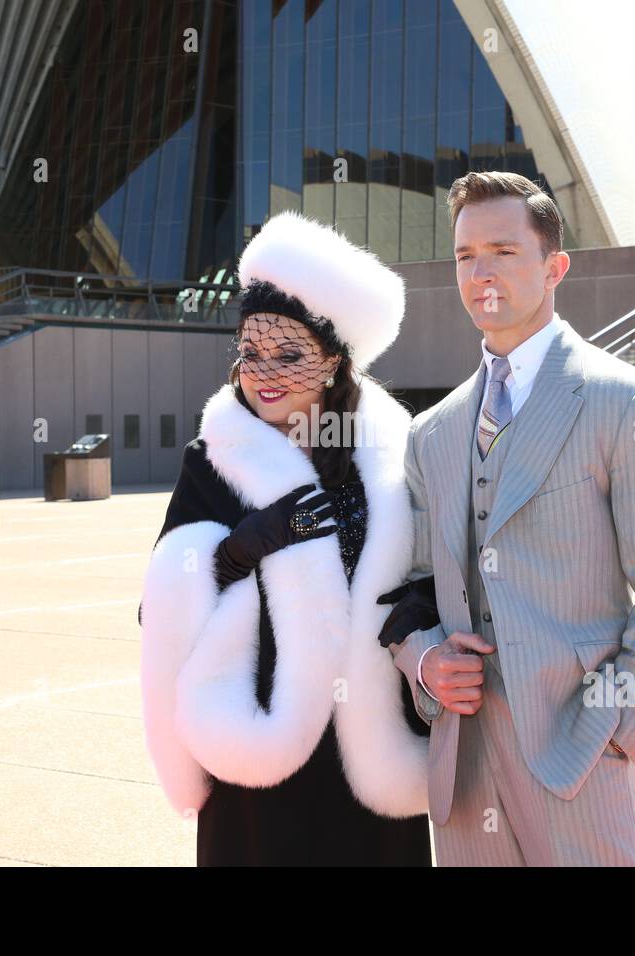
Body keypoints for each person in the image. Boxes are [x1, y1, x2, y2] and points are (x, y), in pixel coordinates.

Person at [380, 171, 635, 866]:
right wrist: (424, 665)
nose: (481, 271)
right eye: (466, 255)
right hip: (464, 773)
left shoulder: (628, 403)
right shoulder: (433, 433)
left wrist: (623, 733)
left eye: (504, 250)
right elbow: (409, 585)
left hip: (581, 764)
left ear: (554, 266)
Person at [139, 210, 434, 866]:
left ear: (334, 361)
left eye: (289, 353)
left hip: (371, 743)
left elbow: (436, 567)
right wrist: (235, 551)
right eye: (249, 353)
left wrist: (424, 603)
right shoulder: (213, 459)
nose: (263, 371)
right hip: (262, 748)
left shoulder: (393, 458)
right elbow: (155, 610)